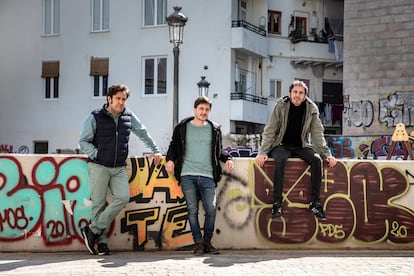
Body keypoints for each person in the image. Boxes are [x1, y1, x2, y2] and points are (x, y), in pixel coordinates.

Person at [79, 84, 162, 255]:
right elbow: (83, 142)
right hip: (99, 166)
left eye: (124, 99)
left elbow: (143, 133)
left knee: (123, 197)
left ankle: (92, 230)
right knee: (98, 205)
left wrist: (155, 150)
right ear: (109, 98)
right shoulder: (95, 117)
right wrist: (97, 154)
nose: (121, 102)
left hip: (118, 168)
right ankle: (101, 243)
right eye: (118, 98)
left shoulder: (128, 117)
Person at [255, 80, 337, 220]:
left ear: (305, 96)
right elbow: (270, 130)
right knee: (280, 159)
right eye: (295, 92)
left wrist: (326, 155)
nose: (297, 95)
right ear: (290, 93)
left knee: (316, 160)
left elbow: (317, 133)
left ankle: (315, 203)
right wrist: (263, 152)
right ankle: (277, 203)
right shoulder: (280, 106)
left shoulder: (311, 108)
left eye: (300, 93)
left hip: (301, 146)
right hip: (281, 145)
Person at [165, 96, 234, 255]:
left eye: (207, 110)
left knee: (210, 208)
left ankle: (207, 242)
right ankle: (198, 243)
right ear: (195, 109)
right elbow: (173, 147)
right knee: (192, 210)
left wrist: (228, 159)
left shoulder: (214, 129)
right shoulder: (182, 127)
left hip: (208, 175)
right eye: (201, 109)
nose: (204, 112)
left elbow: (219, 151)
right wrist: (170, 160)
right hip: (187, 174)